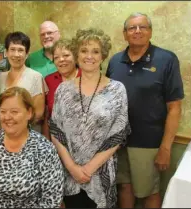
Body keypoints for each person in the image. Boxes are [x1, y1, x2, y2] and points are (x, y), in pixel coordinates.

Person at [106, 12, 184, 208]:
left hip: (149, 143)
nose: (137, 31)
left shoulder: (166, 59)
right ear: (125, 34)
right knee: (124, 187)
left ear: (150, 31)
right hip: (118, 142)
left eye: (142, 27)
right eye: (132, 28)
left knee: (149, 192)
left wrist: (165, 148)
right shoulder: (115, 61)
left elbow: (174, 107)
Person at [49, 27, 130, 208]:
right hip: (69, 174)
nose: (89, 56)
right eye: (84, 51)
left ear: (103, 56)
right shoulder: (63, 90)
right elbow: (56, 131)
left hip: (100, 174)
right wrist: (72, 168)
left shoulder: (117, 90)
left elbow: (119, 134)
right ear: (77, 55)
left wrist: (89, 168)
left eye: (95, 51)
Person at [0, 86, 64, 208]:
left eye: (14, 112)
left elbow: (52, 200)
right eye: (3, 111)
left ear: (29, 113)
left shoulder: (44, 149)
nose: (7, 117)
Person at [0, 31, 47, 132]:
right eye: (12, 49)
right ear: (6, 53)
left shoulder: (35, 77)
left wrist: (14, 125)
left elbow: (38, 112)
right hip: (4, 133)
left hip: (28, 133)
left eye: (20, 50)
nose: (16, 54)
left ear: (27, 54)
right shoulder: (0, 78)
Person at [42, 39, 81, 139]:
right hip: (57, 141)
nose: (61, 60)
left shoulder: (86, 77)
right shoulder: (48, 80)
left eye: (66, 55)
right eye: (56, 57)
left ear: (76, 57)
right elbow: (46, 116)